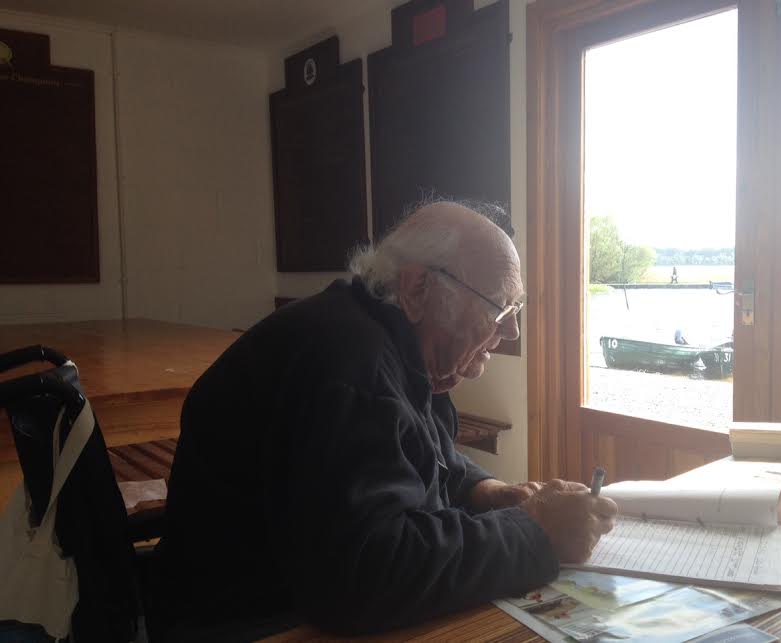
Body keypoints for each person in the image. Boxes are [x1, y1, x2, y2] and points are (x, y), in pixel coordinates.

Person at [155, 200, 617, 636]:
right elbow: (364, 575)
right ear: (417, 289)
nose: (510, 331)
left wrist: (486, 490)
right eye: (499, 308)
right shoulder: (349, 366)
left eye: (514, 311)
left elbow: (416, 451)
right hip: (252, 625)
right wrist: (536, 532)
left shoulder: (379, 336)